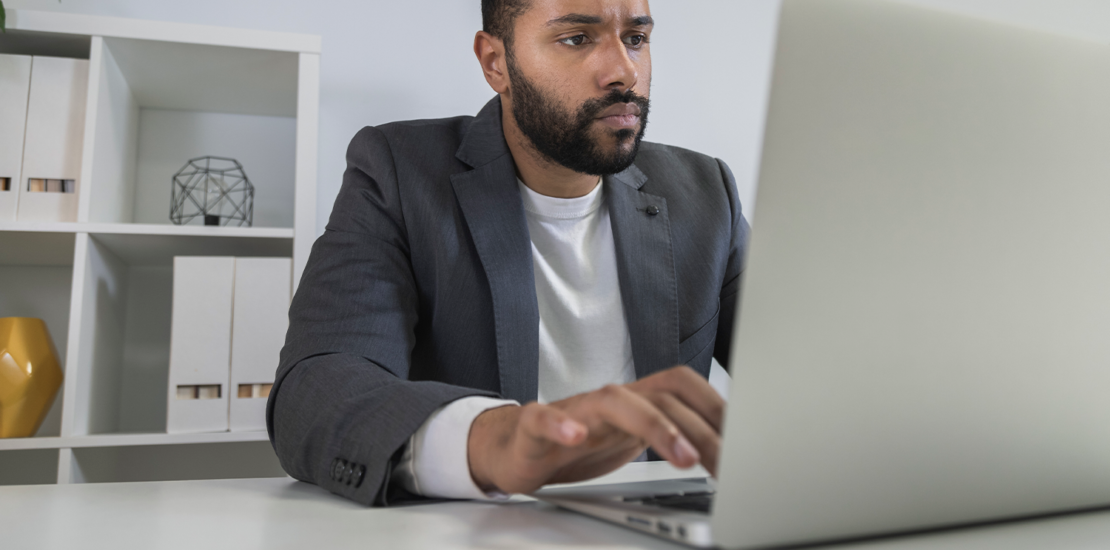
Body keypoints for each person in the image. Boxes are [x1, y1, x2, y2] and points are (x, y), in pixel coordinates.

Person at [267, 0, 749, 506]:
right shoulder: (398, 174)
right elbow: (314, 390)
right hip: (475, 532)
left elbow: (806, 372)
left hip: (656, 533)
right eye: (577, 39)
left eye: (635, 38)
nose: (624, 71)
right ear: (495, 62)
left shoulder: (705, 193)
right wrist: (494, 440)